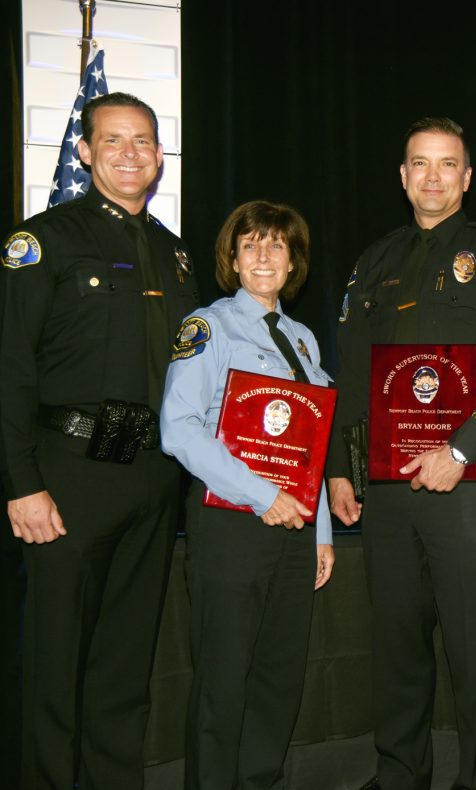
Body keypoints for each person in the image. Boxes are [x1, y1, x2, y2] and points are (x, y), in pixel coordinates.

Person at [326, 117, 476, 790]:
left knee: (473, 649)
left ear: (467, 177)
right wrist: (339, 465)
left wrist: (458, 448)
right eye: (420, 163)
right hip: (387, 487)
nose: (433, 176)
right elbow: (352, 374)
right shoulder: (373, 262)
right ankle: (400, 775)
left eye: (447, 164)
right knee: (397, 644)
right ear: (403, 175)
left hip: (470, 482)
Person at [0, 91, 198, 790]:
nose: (129, 153)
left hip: (151, 475)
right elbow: (11, 367)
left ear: (159, 155)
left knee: (124, 656)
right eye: (112, 140)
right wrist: (21, 481)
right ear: (84, 152)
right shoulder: (43, 240)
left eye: (142, 140)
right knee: (55, 659)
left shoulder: (176, 256)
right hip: (68, 472)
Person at [159, 200, 335, 789]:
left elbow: (314, 445)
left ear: (293, 263)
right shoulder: (207, 327)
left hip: (293, 529)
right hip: (231, 522)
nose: (264, 255)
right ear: (232, 260)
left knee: (279, 675)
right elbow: (178, 428)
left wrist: (321, 533)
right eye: (251, 244)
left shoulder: (304, 340)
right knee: (224, 678)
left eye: (277, 245)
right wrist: (263, 496)